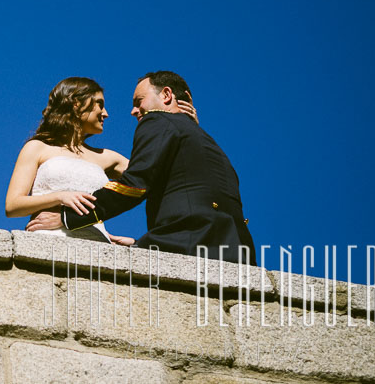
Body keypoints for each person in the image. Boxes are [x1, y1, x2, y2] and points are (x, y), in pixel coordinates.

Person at [27, 70, 256, 264]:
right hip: (237, 251)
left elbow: (134, 185)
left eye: (139, 102)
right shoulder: (209, 144)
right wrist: (140, 244)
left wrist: (68, 219)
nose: (134, 111)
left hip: (186, 246)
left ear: (166, 95)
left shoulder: (156, 120)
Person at [4, 77, 136, 245]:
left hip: (97, 246)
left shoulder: (109, 158)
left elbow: (153, 177)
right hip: (48, 242)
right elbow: (13, 205)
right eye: (100, 104)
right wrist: (60, 197)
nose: (106, 113)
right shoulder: (37, 148)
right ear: (76, 104)